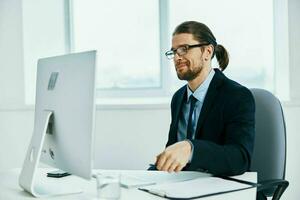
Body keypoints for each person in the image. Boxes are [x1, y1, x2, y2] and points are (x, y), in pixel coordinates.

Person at [154, 21, 255, 176]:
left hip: (221, 187)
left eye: (184, 49)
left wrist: (191, 148)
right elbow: (173, 154)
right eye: (173, 52)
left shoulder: (237, 96)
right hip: (184, 185)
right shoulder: (178, 98)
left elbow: (239, 159)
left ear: (207, 52)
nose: (176, 57)